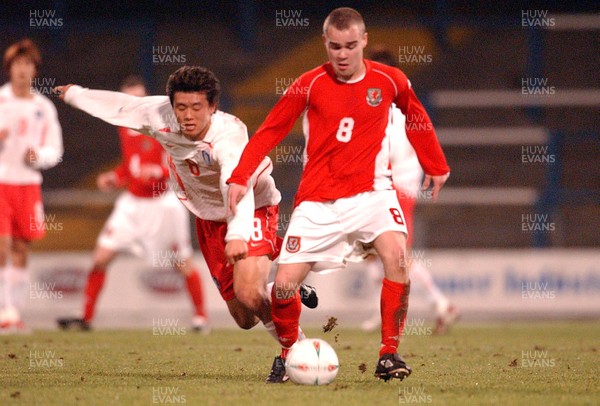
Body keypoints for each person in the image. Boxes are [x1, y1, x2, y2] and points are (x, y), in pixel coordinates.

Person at [227, 7, 449, 382]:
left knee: (397, 258)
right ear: (325, 44)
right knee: (283, 286)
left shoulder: (390, 79)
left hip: (373, 194)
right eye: (334, 47)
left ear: (363, 41)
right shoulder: (309, 84)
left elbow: (416, 115)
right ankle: (287, 354)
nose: (342, 54)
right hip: (318, 200)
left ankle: (389, 354)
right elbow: (270, 130)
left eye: (349, 45)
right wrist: (239, 175)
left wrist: (436, 163)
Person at [54, 65, 317, 382]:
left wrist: (237, 234)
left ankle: (295, 351)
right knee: (244, 317)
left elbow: (236, 187)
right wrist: (76, 94)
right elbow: (121, 107)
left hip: (251, 206)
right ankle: (280, 288)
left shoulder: (229, 135)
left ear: (213, 107)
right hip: (208, 218)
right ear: (171, 105)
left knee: (249, 292)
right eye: (181, 107)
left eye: (196, 107)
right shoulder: (159, 116)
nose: (188, 115)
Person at [57, 75, 209, 332]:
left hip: (163, 204)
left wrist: (160, 174)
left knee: (181, 263)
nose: (135, 105)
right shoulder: (124, 127)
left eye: (139, 99)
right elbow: (131, 166)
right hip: (132, 204)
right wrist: (115, 177)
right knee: (100, 258)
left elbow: (185, 163)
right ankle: (86, 317)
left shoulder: (166, 123)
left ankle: (201, 319)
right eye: (130, 100)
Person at [360, 46, 458, 335]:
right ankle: (387, 309)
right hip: (391, 184)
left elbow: (389, 150)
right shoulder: (396, 101)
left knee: (396, 254)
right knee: (369, 252)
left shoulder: (388, 105)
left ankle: (441, 303)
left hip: (393, 184)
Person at [0, 39, 63, 333]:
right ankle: (4, 311)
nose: (22, 70)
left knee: (21, 248)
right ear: (9, 69)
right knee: (2, 246)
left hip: (27, 186)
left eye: (27, 65)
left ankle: (15, 311)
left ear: (34, 70)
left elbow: (55, 150)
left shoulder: (44, 107)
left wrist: (38, 156)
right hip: (2, 183)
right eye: (17, 65)